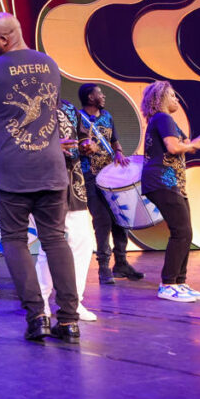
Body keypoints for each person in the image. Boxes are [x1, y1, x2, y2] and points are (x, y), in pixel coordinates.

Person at [0, 12, 80, 343]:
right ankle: (69, 321)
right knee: (56, 239)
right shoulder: (50, 64)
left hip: (13, 170)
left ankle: (37, 318)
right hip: (51, 166)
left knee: (14, 240)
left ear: (5, 39)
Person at [139, 81, 200, 302]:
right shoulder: (163, 118)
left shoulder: (166, 121)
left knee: (186, 232)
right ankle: (168, 284)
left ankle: (179, 283)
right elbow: (175, 147)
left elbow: (195, 144)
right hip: (162, 181)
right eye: (172, 96)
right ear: (161, 98)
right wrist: (188, 146)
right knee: (181, 232)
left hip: (172, 182)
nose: (176, 99)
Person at [36, 99, 96, 321]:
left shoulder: (69, 108)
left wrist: (88, 146)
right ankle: (41, 300)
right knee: (50, 245)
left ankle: (74, 302)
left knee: (83, 242)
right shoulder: (31, 106)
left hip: (74, 182)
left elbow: (83, 139)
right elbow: (19, 145)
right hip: (46, 181)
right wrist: (53, 147)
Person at [78, 83, 144, 283]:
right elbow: (75, 144)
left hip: (111, 176)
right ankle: (103, 267)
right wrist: (84, 147)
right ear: (90, 97)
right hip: (90, 176)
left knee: (120, 218)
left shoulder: (107, 117)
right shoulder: (77, 118)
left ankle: (121, 263)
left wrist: (119, 152)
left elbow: (115, 140)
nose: (103, 96)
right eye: (100, 93)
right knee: (102, 221)